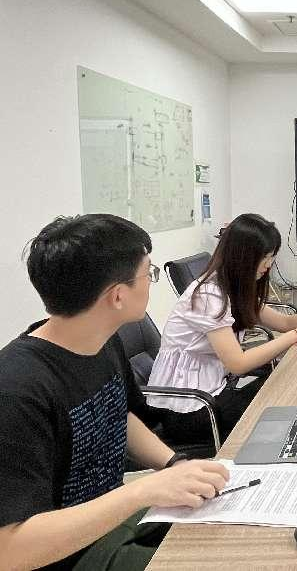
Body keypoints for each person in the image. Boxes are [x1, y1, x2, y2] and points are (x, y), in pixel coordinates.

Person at [0, 214, 230, 570]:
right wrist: (142, 490)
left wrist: (177, 465)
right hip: (63, 556)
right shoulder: (16, 390)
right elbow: (10, 550)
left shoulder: (103, 340)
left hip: (111, 521)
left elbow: (118, 416)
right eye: (149, 274)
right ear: (118, 296)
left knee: (231, 531)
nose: (151, 282)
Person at [147, 213, 297, 443]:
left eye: (272, 256)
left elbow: (284, 323)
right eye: (265, 257)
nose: (269, 264)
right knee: (290, 392)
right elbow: (238, 363)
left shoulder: (233, 285)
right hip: (188, 409)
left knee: (290, 383)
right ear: (243, 256)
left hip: (212, 390)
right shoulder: (209, 295)